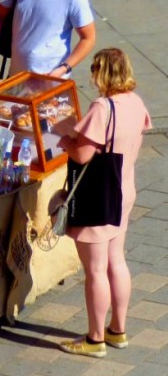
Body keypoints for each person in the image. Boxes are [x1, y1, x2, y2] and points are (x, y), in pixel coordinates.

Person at [55, 48, 151, 357]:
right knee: (117, 261)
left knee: (95, 270)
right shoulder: (135, 102)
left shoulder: (102, 106)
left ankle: (95, 339)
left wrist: (62, 135)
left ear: (101, 73)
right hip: (123, 189)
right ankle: (117, 330)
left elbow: (83, 155)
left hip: (98, 196)